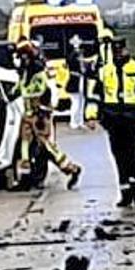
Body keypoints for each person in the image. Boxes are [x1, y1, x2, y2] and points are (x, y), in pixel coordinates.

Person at [87, 37, 135, 207]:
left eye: (121, 50)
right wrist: (91, 116)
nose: (119, 54)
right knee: (118, 155)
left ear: (127, 50)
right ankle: (125, 192)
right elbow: (95, 95)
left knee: (132, 154)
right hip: (112, 116)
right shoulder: (104, 71)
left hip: (133, 115)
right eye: (115, 51)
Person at [12, 41, 83, 190]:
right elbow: (19, 90)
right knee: (25, 146)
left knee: (47, 146)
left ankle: (71, 169)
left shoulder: (37, 71)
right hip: (28, 114)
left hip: (39, 115)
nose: (19, 59)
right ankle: (25, 179)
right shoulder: (25, 71)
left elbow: (45, 93)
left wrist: (42, 112)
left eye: (21, 56)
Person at [67, 34, 87, 130]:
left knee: (82, 102)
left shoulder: (79, 54)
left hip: (81, 79)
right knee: (75, 102)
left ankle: (80, 121)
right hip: (75, 80)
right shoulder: (72, 55)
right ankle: (73, 122)